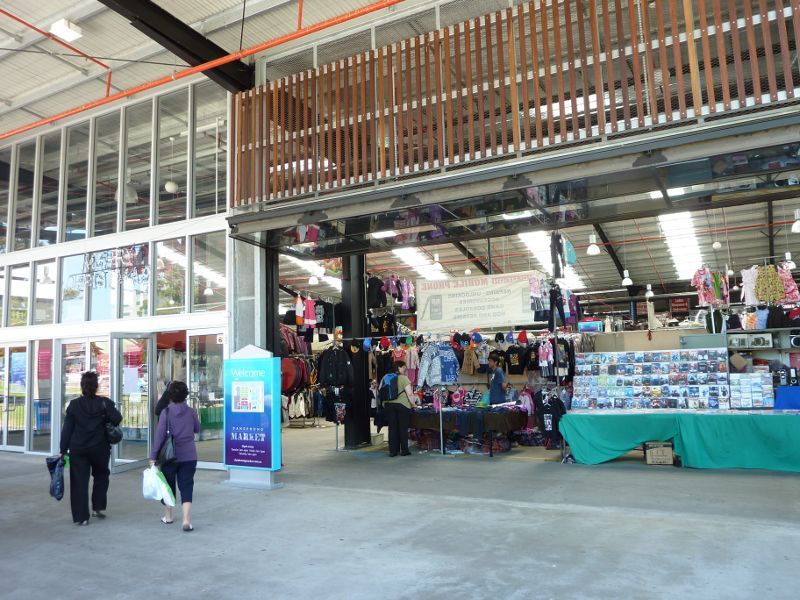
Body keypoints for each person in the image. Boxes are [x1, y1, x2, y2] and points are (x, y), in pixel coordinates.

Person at [60, 371, 122, 526]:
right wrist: (105, 417)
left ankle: (82, 517)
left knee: (79, 481)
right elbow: (117, 418)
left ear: (82, 386)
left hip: (78, 449)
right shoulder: (104, 403)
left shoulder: (74, 405)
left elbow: (67, 429)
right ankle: (99, 507)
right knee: (101, 475)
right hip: (99, 447)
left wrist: (63, 450)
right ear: (96, 386)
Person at [150, 381, 200, 532]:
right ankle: (186, 520)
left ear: (170, 396)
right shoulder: (191, 411)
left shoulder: (166, 412)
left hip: (170, 457)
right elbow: (197, 429)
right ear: (185, 395)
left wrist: (153, 456)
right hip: (189, 455)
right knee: (186, 486)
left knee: (168, 487)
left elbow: (159, 437)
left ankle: (169, 516)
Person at [381, 361, 418, 457]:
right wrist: (413, 404)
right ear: (399, 368)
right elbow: (409, 393)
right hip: (402, 405)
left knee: (392, 428)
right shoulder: (403, 378)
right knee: (403, 428)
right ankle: (404, 450)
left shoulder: (385, 377)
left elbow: (380, 391)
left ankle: (393, 451)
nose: (405, 369)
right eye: (404, 368)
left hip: (389, 405)